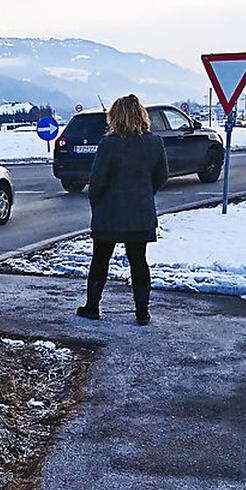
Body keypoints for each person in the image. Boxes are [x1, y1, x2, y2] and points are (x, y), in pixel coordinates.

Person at [76, 95, 168, 325]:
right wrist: (145, 195)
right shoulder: (154, 142)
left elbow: (97, 182)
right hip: (140, 213)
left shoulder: (109, 144)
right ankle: (142, 312)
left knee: (100, 260)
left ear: (115, 117)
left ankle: (92, 307)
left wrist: (97, 205)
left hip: (109, 213)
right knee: (139, 261)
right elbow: (162, 177)